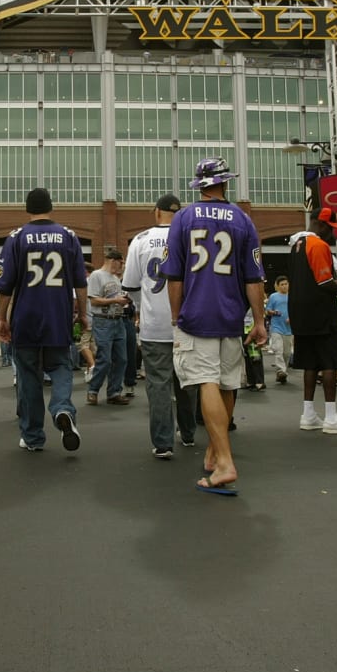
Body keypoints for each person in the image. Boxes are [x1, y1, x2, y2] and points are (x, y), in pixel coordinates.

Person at [163, 157, 265, 495]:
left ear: (200, 186)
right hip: (231, 315)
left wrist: (176, 316)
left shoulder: (183, 218)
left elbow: (174, 276)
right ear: (225, 183)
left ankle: (224, 462)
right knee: (226, 382)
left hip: (196, 314)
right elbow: (254, 277)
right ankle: (213, 452)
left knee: (206, 380)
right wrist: (259, 320)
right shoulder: (243, 220)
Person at [0, 187, 88, 453]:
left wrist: (2, 319)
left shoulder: (16, 238)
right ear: (51, 207)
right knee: (60, 367)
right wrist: (82, 314)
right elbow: (81, 283)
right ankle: (61, 409)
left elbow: (4, 286)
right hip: (58, 316)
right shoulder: (69, 237)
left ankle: (33, 436)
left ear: (27, 209)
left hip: (26, 317)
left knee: (28, 376)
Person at [122, 192, 183, 458]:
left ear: (157, 213)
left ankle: (163, 442)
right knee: (186, 380)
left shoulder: (141, 239)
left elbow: (131, 285)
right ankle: (189, 432)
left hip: (154, 323)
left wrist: (141, 306)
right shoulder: (187, 236)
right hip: (185, 322)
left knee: (158, 383)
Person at [288, 207, 337, 434]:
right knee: (329, 363)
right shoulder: (318, 245)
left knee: (310, 363)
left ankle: (308, 414)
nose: (332, 234)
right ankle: (331, 417)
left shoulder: (296, 246)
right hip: (320, 313)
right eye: (330, 228)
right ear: (321, 223)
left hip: (300, 314)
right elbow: (324, 282)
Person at [86, 247, 130, 406]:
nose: (122, 265)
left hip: (118, 320)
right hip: (103, 320)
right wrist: (115, 301)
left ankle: (114, 391)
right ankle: (93, 390)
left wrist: (124, 300)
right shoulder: (97, 275)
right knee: (105, 358)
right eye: (121, 262)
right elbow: (94, 300)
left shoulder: (115, 278)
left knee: (122, 359)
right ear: (113, 261)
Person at [266, 275, 292, 384]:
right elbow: (267, 310)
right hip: (276, 326)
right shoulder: (273, 296)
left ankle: (283, 372)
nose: (284, 286)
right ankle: (281, 371)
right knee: (279, 350)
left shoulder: (293, 296)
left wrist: (292, 317)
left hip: (289, 329)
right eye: (282, 284)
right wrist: (273, 312)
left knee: (287, 353)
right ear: (278, 286)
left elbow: (298, 309)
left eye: (286, 284)